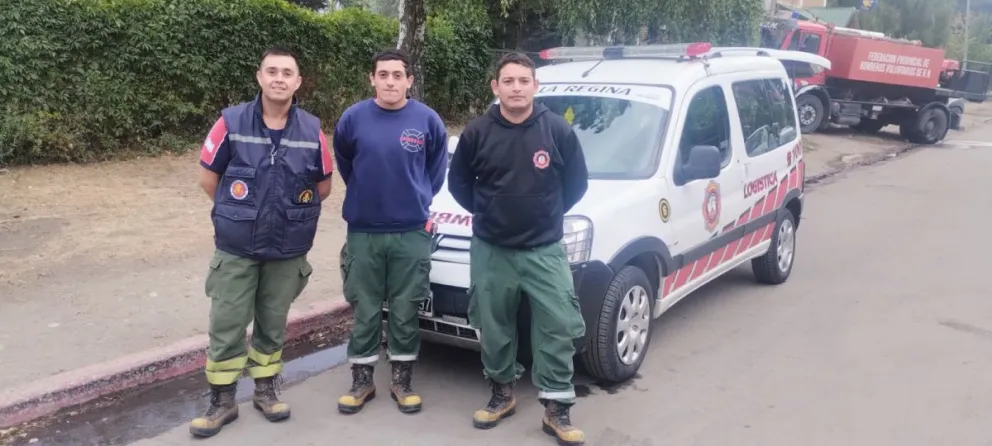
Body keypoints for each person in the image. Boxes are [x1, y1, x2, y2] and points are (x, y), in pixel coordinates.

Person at [189, 46, 334, 438]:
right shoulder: (230, 122)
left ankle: (266, 390)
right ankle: (222, 400)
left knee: (273, 323)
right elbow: (209, 180)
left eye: (288, 72)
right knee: (227, 323)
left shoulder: (312, 130)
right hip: (237, 249)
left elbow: (322, 187)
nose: (279, 78)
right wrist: (242, 216)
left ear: (298, 82)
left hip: (287, 248)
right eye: (272, 71)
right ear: (259, 77)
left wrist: (280, 214)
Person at [447, 52, 589, 445]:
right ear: (496, 87)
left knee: (558, 324)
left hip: (544, 249)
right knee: (493, 326)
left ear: (535, 86)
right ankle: (502, 393)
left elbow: (576, 184)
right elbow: (459, 184)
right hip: (492, 249)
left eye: (523, 81)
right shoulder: (477, 132)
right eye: (508, 81)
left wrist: (546, 215)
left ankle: (557, 408)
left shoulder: (557, 131)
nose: (516, 88)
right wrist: (489, 213)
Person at [333, 49, 448, 415]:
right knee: (365, 306)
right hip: (364, 231)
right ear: (372, 79)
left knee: (405, 307)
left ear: (409, 80)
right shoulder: (353, 119)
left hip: (411, 231)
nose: (390, 82)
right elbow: (346, 164)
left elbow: (435, 172)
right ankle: (362, 380)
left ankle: (402, 380)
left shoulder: (428, 121)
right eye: (383, 75)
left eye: (398, 75)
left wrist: (413, 199)